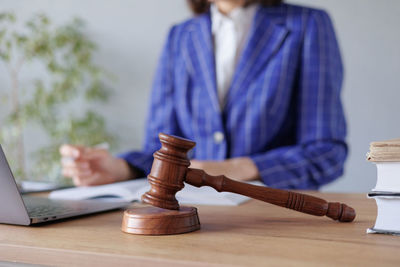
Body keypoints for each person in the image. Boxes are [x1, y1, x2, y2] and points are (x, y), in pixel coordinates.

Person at [60, 0, 347, 189]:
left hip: (277, 218)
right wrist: (120, 168)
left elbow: (327, 153)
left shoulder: (307, 25)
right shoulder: (180, 36)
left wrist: (240, 168)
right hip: (195, 217)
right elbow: (160, 150)